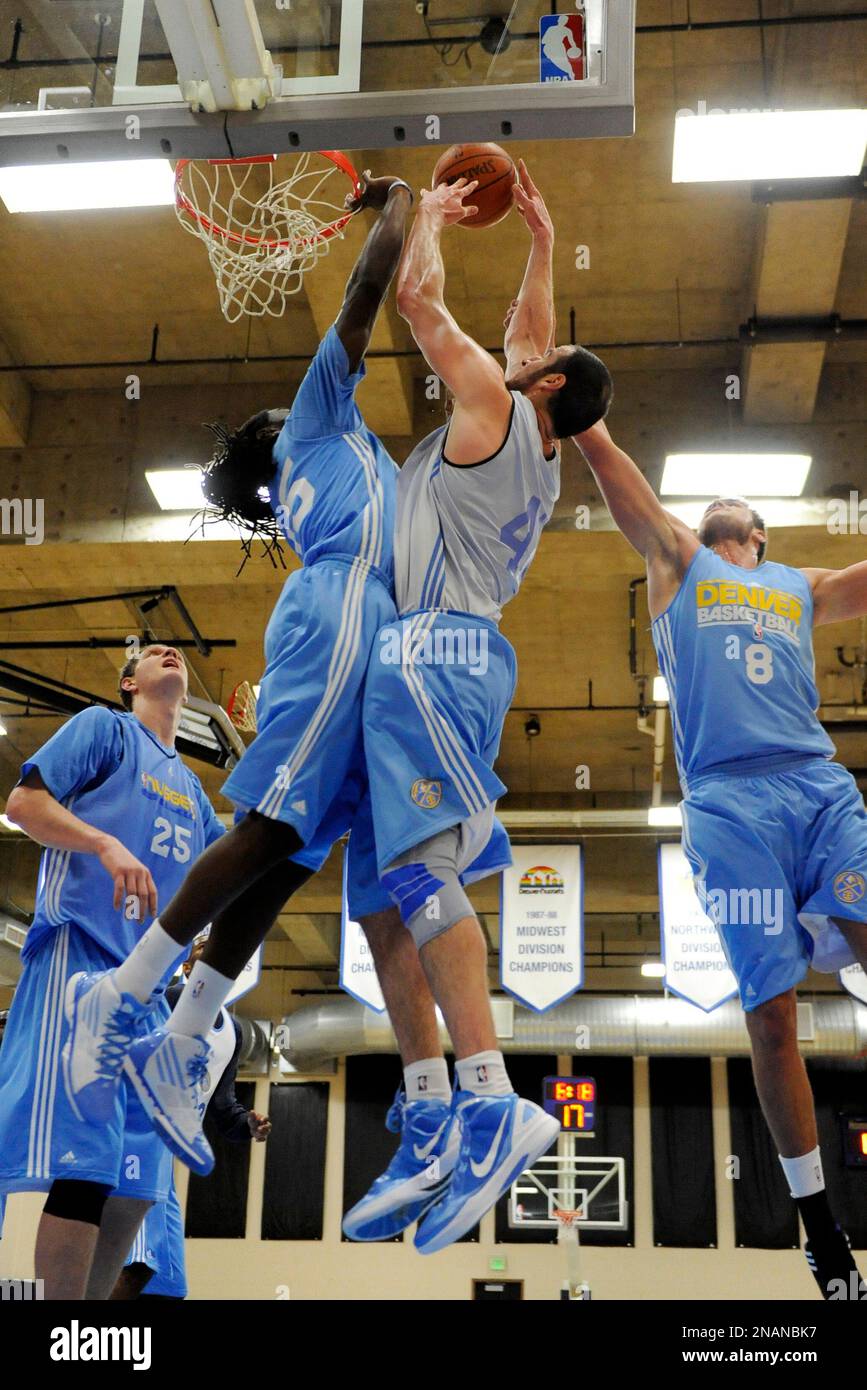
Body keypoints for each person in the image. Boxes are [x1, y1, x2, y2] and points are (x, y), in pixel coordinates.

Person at [62, 172, 427, 1180]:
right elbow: (365, 294)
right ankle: (122, 996)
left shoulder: (348, 453)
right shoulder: (318, 417)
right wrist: (398, 206)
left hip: (371, 625)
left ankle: (186, 1034)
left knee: (295, 850)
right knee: (268, 825)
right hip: (344, 609)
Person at [345, 163, 612, 1254]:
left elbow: (418, 306)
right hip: (429, 658)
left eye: (531, 358)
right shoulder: (539, 448)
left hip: (431, 656)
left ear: (539, 388)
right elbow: (531, 336)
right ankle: (427, 1112)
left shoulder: (501, 410)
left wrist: (430, 223)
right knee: (376, 898)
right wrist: (542, 247)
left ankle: (494, 1094)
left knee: (421, 875)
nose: (520, 347)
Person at [573, 419, 867, 1299]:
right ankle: (818, 1222)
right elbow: (622, 484)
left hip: (816, 786)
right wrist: (585, 417)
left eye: (729, 511)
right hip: (726, 806)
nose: (716, 511)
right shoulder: (676, 561)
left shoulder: (797, 584)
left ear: (762, 533)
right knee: (771, 1016)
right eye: (707, 510)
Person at [0, 645, 224, 1299]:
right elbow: (22, 805)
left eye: (173, 650)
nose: (164, 651)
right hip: (80, 965)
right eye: (147, 654)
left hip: (148, 994)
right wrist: (103, 841)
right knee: (82, 1163)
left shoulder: (193, 796)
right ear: (130, 684)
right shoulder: (105, 729)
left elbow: (226, 885)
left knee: (136, 1184)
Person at [113, 937, 270, 1300]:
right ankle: (84, 1345)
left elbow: (222, 1109)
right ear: (186, 967)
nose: (217, 956)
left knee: (167, 1288)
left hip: (163, 1162)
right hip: (132, 1141)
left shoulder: (233, 1033)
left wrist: (247, 1122)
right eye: (203, 952)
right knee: (135, 1266)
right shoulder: (165, 1002)